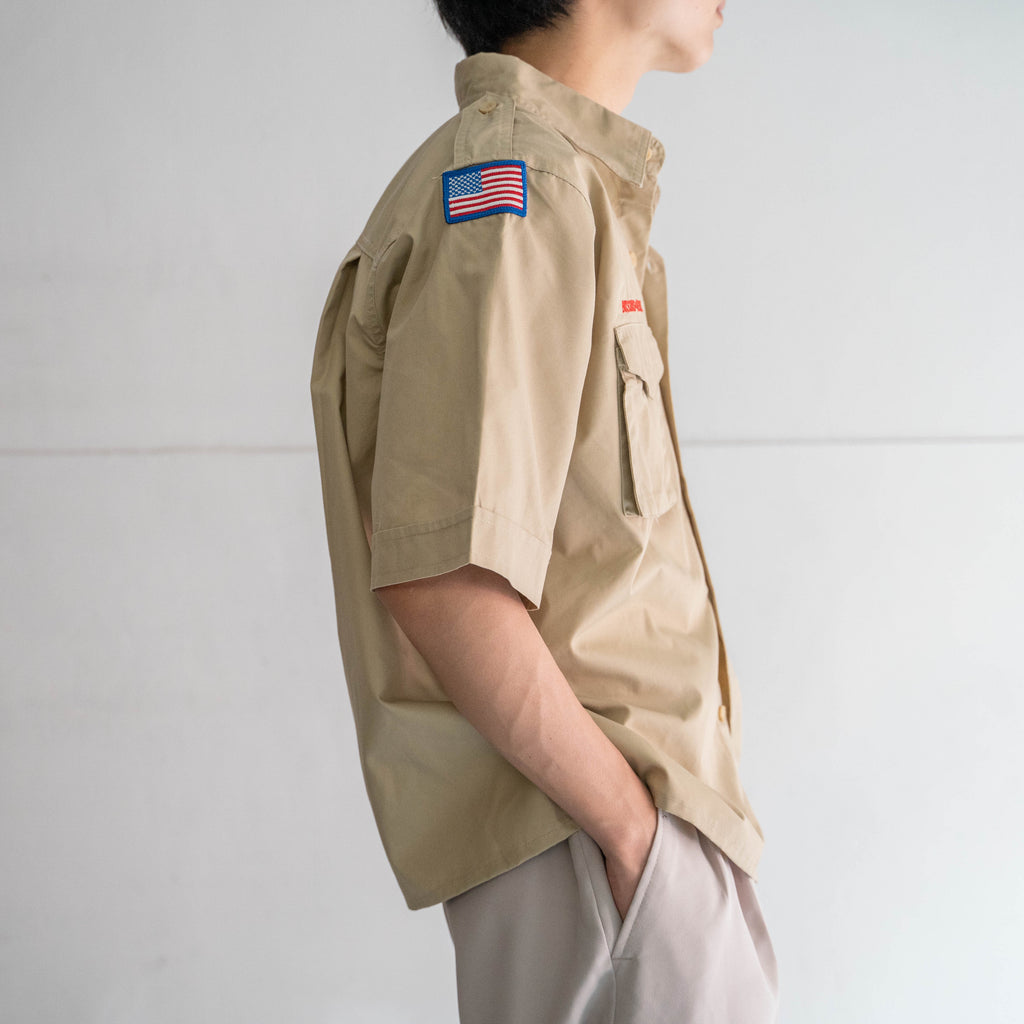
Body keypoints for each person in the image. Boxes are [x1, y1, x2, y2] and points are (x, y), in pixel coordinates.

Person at [310, 0, 780, 1020]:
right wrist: (631, 835)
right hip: (598, 842)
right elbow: (446, 578)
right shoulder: (516, 189)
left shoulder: (550, 185)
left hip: (617, 844)